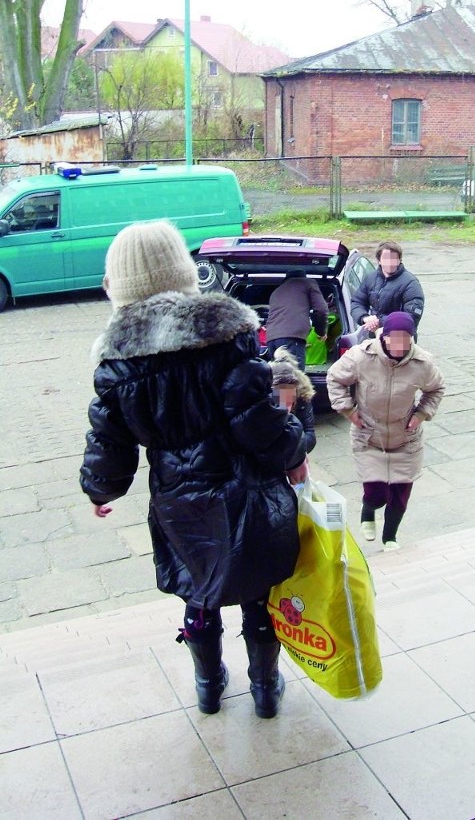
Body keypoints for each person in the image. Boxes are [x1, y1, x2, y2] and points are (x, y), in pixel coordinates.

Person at [79, 220, 308, 720]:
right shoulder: (227, 336)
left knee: (198, 593)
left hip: (179, 502)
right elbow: (259, 422)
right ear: (184, 273)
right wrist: (296, 451)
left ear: (118, 284)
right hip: (247, 494)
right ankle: (265, 687)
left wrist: (101, 488)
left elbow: (108, 439)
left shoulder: (115, 361)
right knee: (258, 594)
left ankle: (208, 685)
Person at [327, 311, 444, 551]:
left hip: (406, 439)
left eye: (406, 338)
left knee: (400, 495)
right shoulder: (361, 356)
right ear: (384, 336)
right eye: (395, 338)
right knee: (376, 492)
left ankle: (390, 537)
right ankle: (368, 510)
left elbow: (436, 388)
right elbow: (335, 378)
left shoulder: (422, 362)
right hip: (369, 435)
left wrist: (421, 414)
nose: (400, 344)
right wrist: (348, 410)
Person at [350, 240, 425, 337]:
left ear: (399, 260)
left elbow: (412, 317)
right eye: (386, 258)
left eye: (394, 258)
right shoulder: (371, 278)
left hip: (400, 339)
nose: (390, 262)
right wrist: (364, 318)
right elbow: (357, 302)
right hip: (375, 337)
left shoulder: (411, 283)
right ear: (379, 260)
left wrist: (379, 322)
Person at [266, 269, 329, 371]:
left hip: (271, 339)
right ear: (303, 277)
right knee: (295, 380)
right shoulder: (308, 283)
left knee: (279, 379)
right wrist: (321, 332)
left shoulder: (276, 291)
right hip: (291, 338)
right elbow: (321, 310)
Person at [269, 346, 316, 455]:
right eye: (279, 391)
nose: (285, 397)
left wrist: (294, 450)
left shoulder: (303, 395)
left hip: (295, 451)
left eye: (289, 389)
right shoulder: (264, 399)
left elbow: (310, 433)